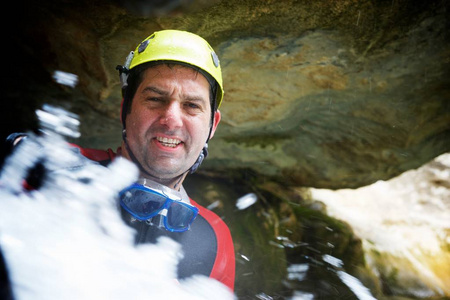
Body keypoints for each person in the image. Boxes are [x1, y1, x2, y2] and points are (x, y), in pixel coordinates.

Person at [6, 30, 235, 291]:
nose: (171, 119)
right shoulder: (55, 171)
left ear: (212, 125)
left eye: (192, 105)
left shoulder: (214, 239)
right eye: (156, 99)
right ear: (125, 109)